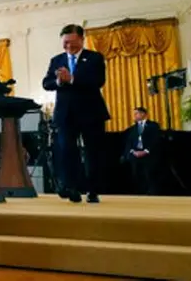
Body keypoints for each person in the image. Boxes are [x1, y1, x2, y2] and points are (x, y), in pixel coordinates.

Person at [42, 24, 109, 204]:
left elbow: (98, 81)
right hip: (65, 114)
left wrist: (71, 79)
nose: (68, 47)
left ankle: (93, 190)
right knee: (66, 151)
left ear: (81, 39)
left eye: (72, 42)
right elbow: (46, 83)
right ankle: (71, 187)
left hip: (91, 113)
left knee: (92, 153)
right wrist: (58, 80)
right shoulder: (57, 60)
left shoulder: (94, 58)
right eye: (65, 43)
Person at [123, 107, 162, 195]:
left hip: (149, 155)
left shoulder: (153, 125)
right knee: (136, 175)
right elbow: (129, 142)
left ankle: (152, 193)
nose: (134, 116)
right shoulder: (132, 128)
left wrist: (146, 151)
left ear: (143, 114)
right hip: (135, 155)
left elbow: (156, 140)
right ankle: (139, 193)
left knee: (149, 174)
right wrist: (133, 151)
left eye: (136, 113)